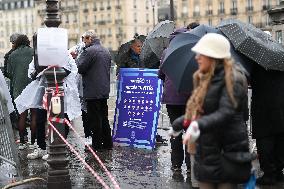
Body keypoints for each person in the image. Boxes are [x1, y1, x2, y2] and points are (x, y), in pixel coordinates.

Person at [171, 33, 253, 189]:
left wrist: (196, 126)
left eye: (201, 54)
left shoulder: (234, 78)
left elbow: (226, 112)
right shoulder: (203, 78)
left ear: (213, 56)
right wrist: (179, 123)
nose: (197, 58)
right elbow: (200, 110)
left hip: (228, 152)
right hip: (207, 152)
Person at [159, 27, 191, 172]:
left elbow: (161, 73)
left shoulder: (167, 51)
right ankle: (191, 165)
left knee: (176, 131)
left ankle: (176, 164)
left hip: (171, 99)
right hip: (189, 98)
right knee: (190, 132)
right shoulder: (193, 49)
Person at [77, 31, 113, 151]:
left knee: (95, 119)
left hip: (92, 90)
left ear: (89, 39)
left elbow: (80, 67)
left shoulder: (88, 51)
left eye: (84, 39)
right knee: (104, 117)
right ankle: (108, 143)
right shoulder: (106, 50)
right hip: (104, 89)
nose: (83, 42)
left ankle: (97, 145)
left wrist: (80, 54)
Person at [251, 63, 284, 185]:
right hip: (281, 104)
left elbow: (252, 81)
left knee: (265, 139)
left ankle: (269, 174)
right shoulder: (280, 60)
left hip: (263, 107)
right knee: (280, 137)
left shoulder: (256, 63)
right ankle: (279, 172)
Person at [6, 34, 35, 150]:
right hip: (33, 87)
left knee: (21, 116)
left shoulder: (12, 55)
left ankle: (23, 141)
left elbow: (8, 73)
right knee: (34, 115)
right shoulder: (33, 52)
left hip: (18, 89)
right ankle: (34, 142)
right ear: (27, 42)